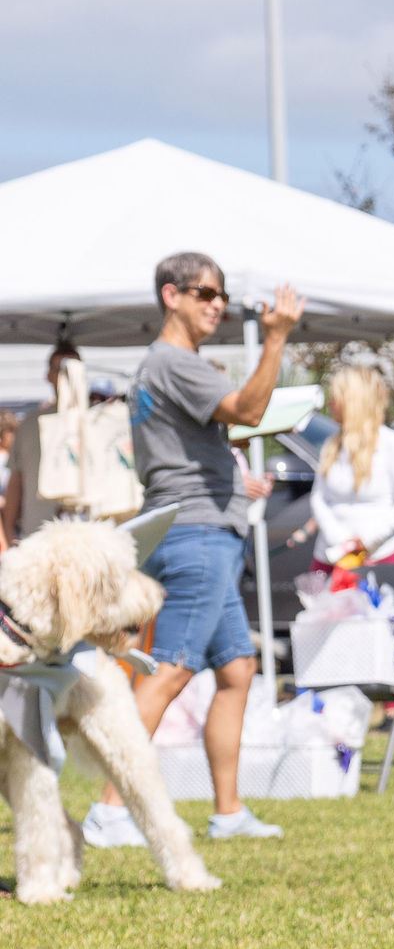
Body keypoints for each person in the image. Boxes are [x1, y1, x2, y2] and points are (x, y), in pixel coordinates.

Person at [85, 252, 301, 849]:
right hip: (199, 535)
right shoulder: (177, 362)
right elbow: (248, 410)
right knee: (171, 670)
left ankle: (228, 813)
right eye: (204, 292)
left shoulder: (162, 367)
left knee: (236, 670)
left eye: (222, 295)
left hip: (194, 531)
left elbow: (229, 424)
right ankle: (108, 811)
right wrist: (276, 339)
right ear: (170, 296)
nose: (217, 304)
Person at [309, 365, 394, 572]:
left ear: (353, 401)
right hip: (330, 555)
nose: (331, 403)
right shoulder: (330, 445)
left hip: (379, 555)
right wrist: (340, 540)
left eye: (336, 397)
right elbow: (319, 498)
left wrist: (367, 541)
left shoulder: (391, 443)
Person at [2, 339, 82, 548]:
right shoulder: (30, 424)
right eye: (60, 368)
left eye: (72, 368)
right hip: (37, 535)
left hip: (84, 536)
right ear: (48, 375)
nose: (66, 376)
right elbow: (15, 481)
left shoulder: (92, 421)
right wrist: (8, 532)